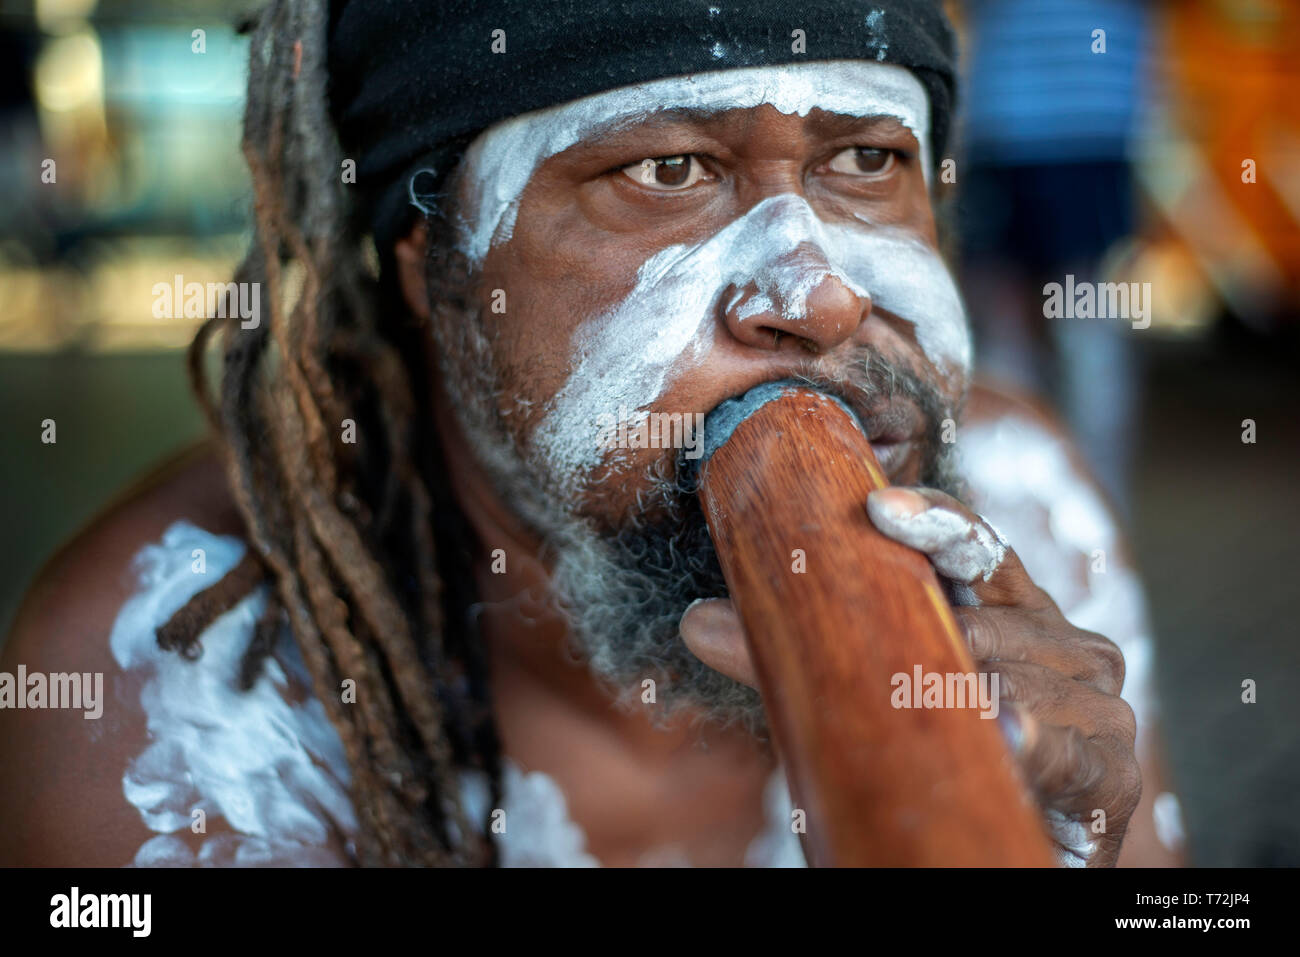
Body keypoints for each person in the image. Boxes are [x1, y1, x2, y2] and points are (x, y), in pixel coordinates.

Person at [0, 0, 1183, 867]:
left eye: (866, 161)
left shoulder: (1029, 500)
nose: (816, 296)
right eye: (669, 170)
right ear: (436, 263)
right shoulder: (173, 702)